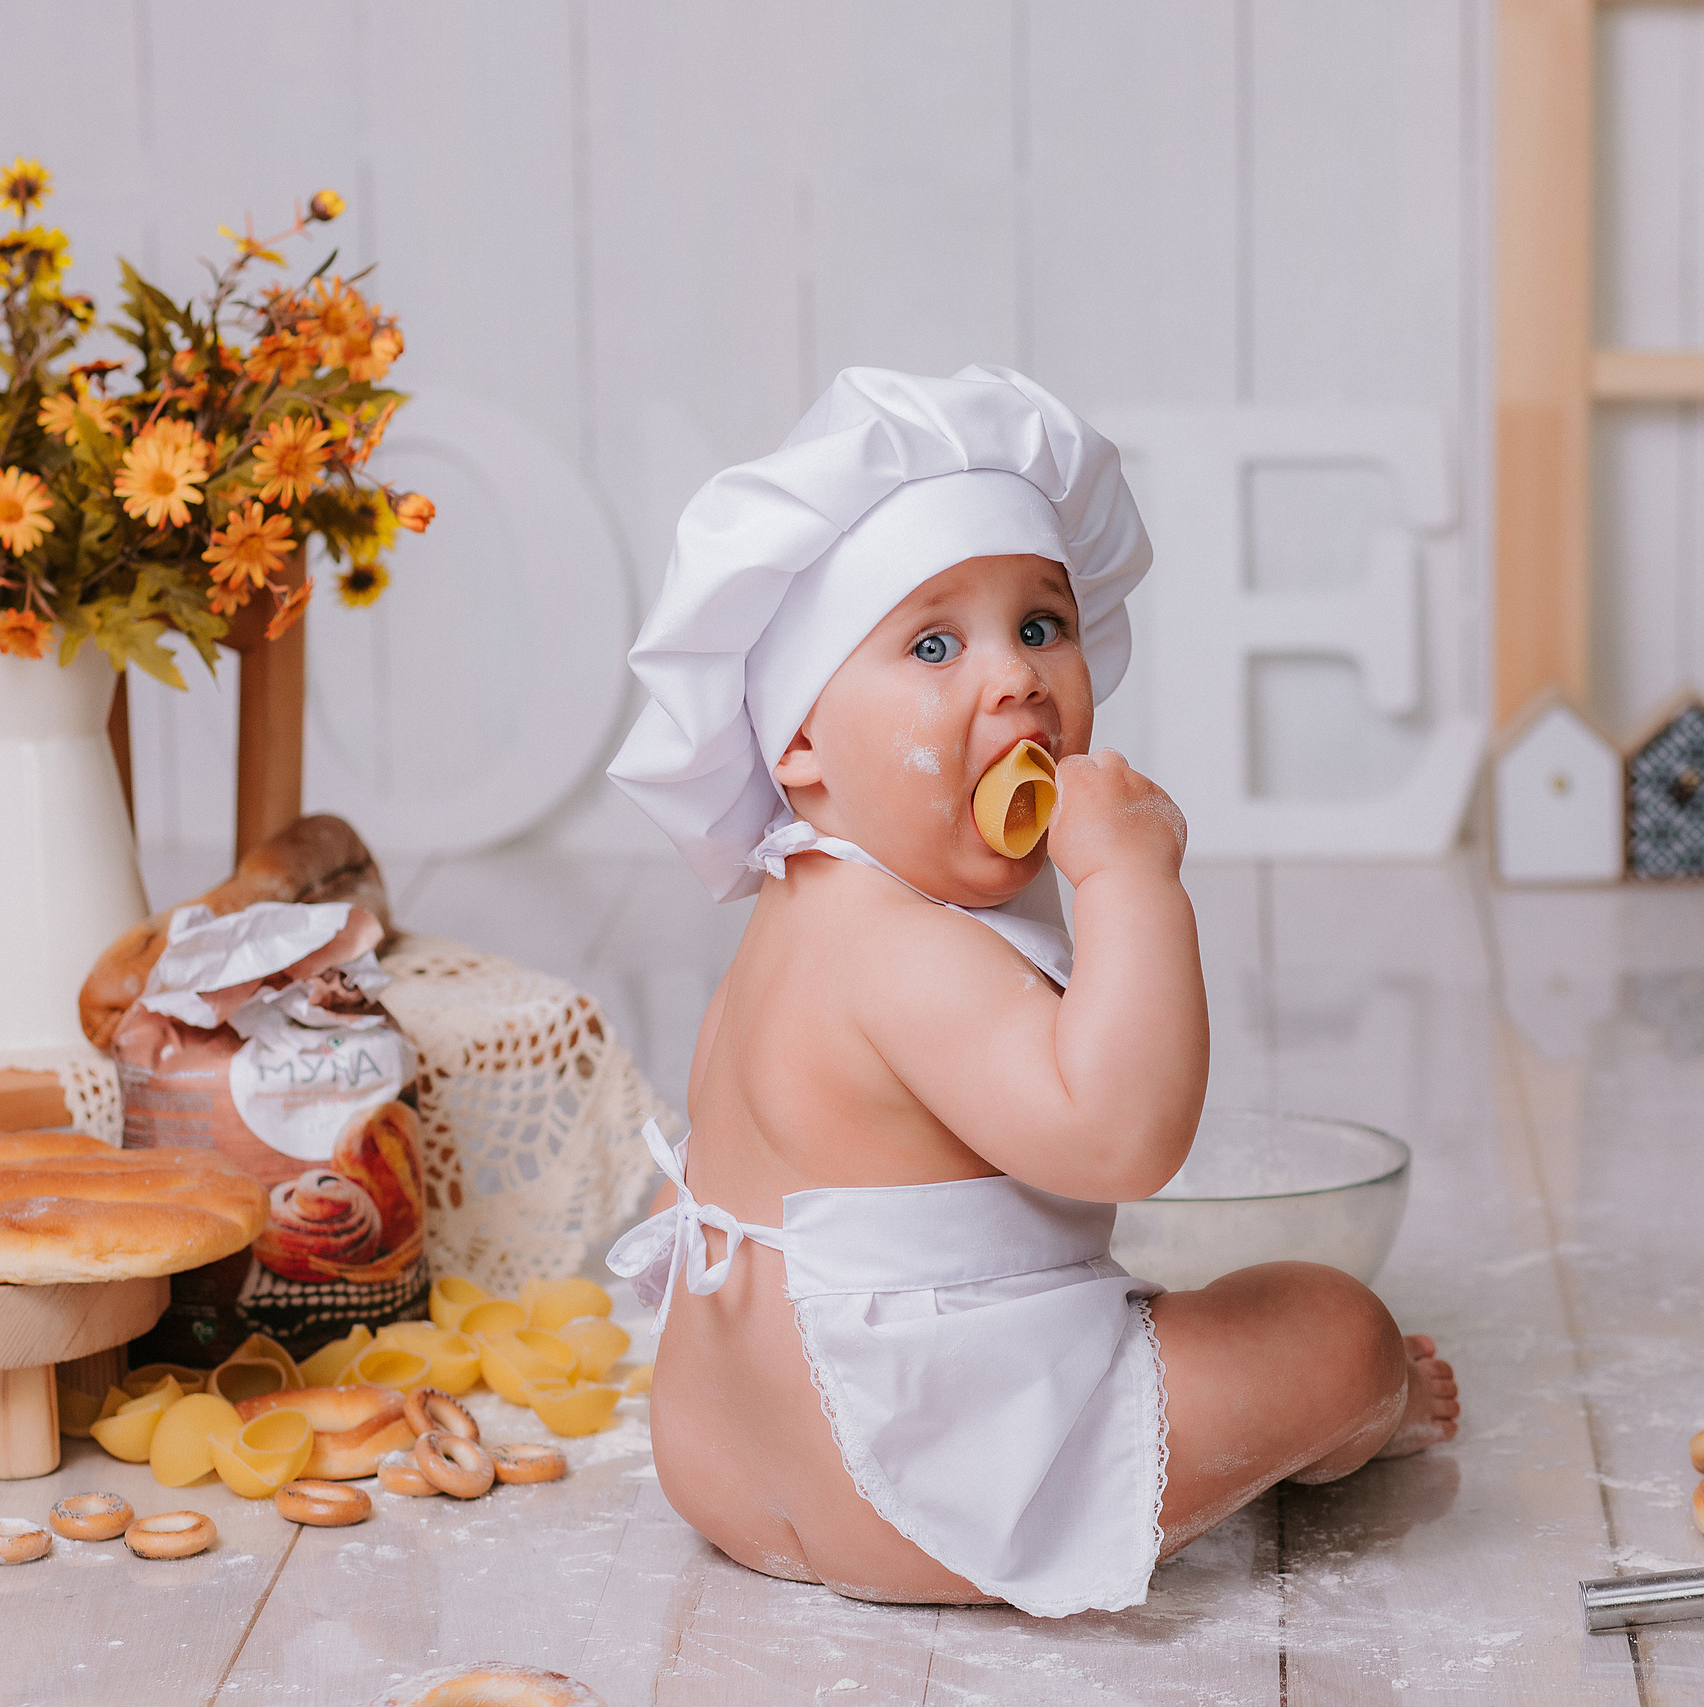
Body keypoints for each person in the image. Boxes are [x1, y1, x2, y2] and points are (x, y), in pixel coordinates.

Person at [605, 365, 1458, 1617]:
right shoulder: (903, 949)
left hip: (721, 1459)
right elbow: (1122, 1141)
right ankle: (1350, 1417)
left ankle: (787, 1462)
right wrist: (1130, 879)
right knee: (1336, 1330)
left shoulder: (792, 922)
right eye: (933, 644)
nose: (1014, 678)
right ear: (796, 741)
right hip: (912, 1481)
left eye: (1042, 626)